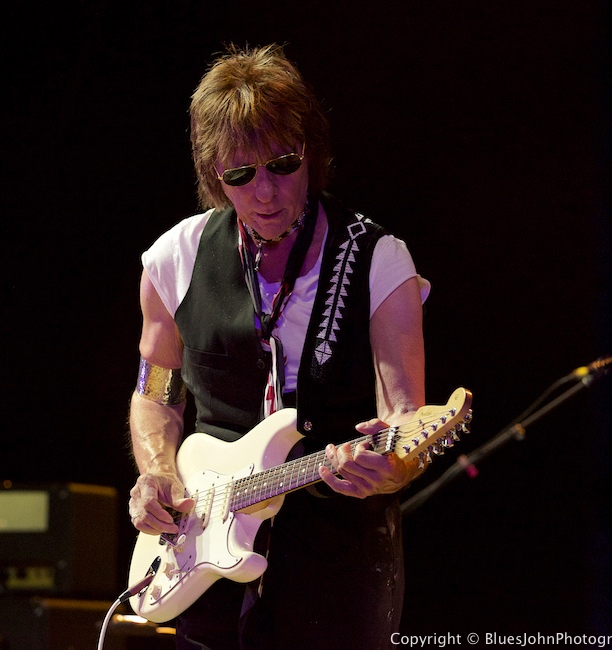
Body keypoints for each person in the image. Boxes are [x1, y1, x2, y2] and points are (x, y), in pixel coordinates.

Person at [127, 43, 430, 650]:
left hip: (337, 562)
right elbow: (156, 391)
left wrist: (390, 470)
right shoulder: (173, 259)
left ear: (310, 155)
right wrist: (157, 473)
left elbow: (408, 423)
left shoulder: (378, 260)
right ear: (215, 175)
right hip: (204, 555)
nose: (264, 193)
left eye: (282, 166)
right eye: (240, 175)